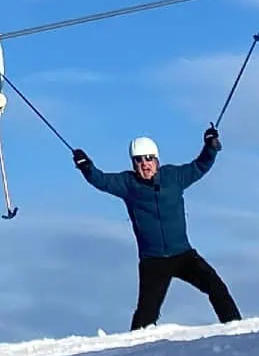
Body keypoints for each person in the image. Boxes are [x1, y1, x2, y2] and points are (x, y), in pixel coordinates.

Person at [72, 128, 241, 328]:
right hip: (153, 261)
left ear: (157, 160)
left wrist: (210, 145)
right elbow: (101, 180)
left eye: (149, 158)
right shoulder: (128, 184)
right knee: (147, 313)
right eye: (139, 160)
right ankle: (133, 350)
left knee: (217, 288)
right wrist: (86, 166)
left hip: (183, 255)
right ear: (134, 164)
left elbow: (200, 165)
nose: (145, 164)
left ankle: (237, 330)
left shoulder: (174, 177)